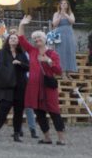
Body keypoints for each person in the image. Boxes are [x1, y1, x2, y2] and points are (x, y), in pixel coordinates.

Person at [17, 15, 66, 145]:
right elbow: (21, 39)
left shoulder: (52, 54)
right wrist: (21, 24)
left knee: (54, 112)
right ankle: (47, 137)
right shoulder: (32, 51)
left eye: (39, 37)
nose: (37, 39)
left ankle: (61, 139)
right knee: (39, 113)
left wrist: (48, 61)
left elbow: (59, 71)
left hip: (48, 87)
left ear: (45, 40)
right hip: (34, 87)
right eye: (35, 38)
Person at [0, 32, 28, 142]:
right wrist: (11, 66)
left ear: (18, 41)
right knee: (4, 109)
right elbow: (0, 66)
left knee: (18, 111)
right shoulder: (2, 52)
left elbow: (28, 67)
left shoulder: (22, 53)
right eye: (11, 38)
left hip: (20, 85)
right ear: (8, 40)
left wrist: (20, 63)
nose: (13, 39)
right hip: (7, 85)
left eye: (15, 38)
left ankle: (16, 133)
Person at [51, 0, 77, 77]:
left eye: (65, 3)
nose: (63, 4)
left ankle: (69, 72)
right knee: (60, 52)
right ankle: (62, 72)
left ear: (68, 5)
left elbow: (73, 21)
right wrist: (60, 16)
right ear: (59, 5)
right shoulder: (56, 14)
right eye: (62, 3)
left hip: (69, 34)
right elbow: (54, 24)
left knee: (69, 51)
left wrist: (65, 15)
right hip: (59, 34)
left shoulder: (70, 13)